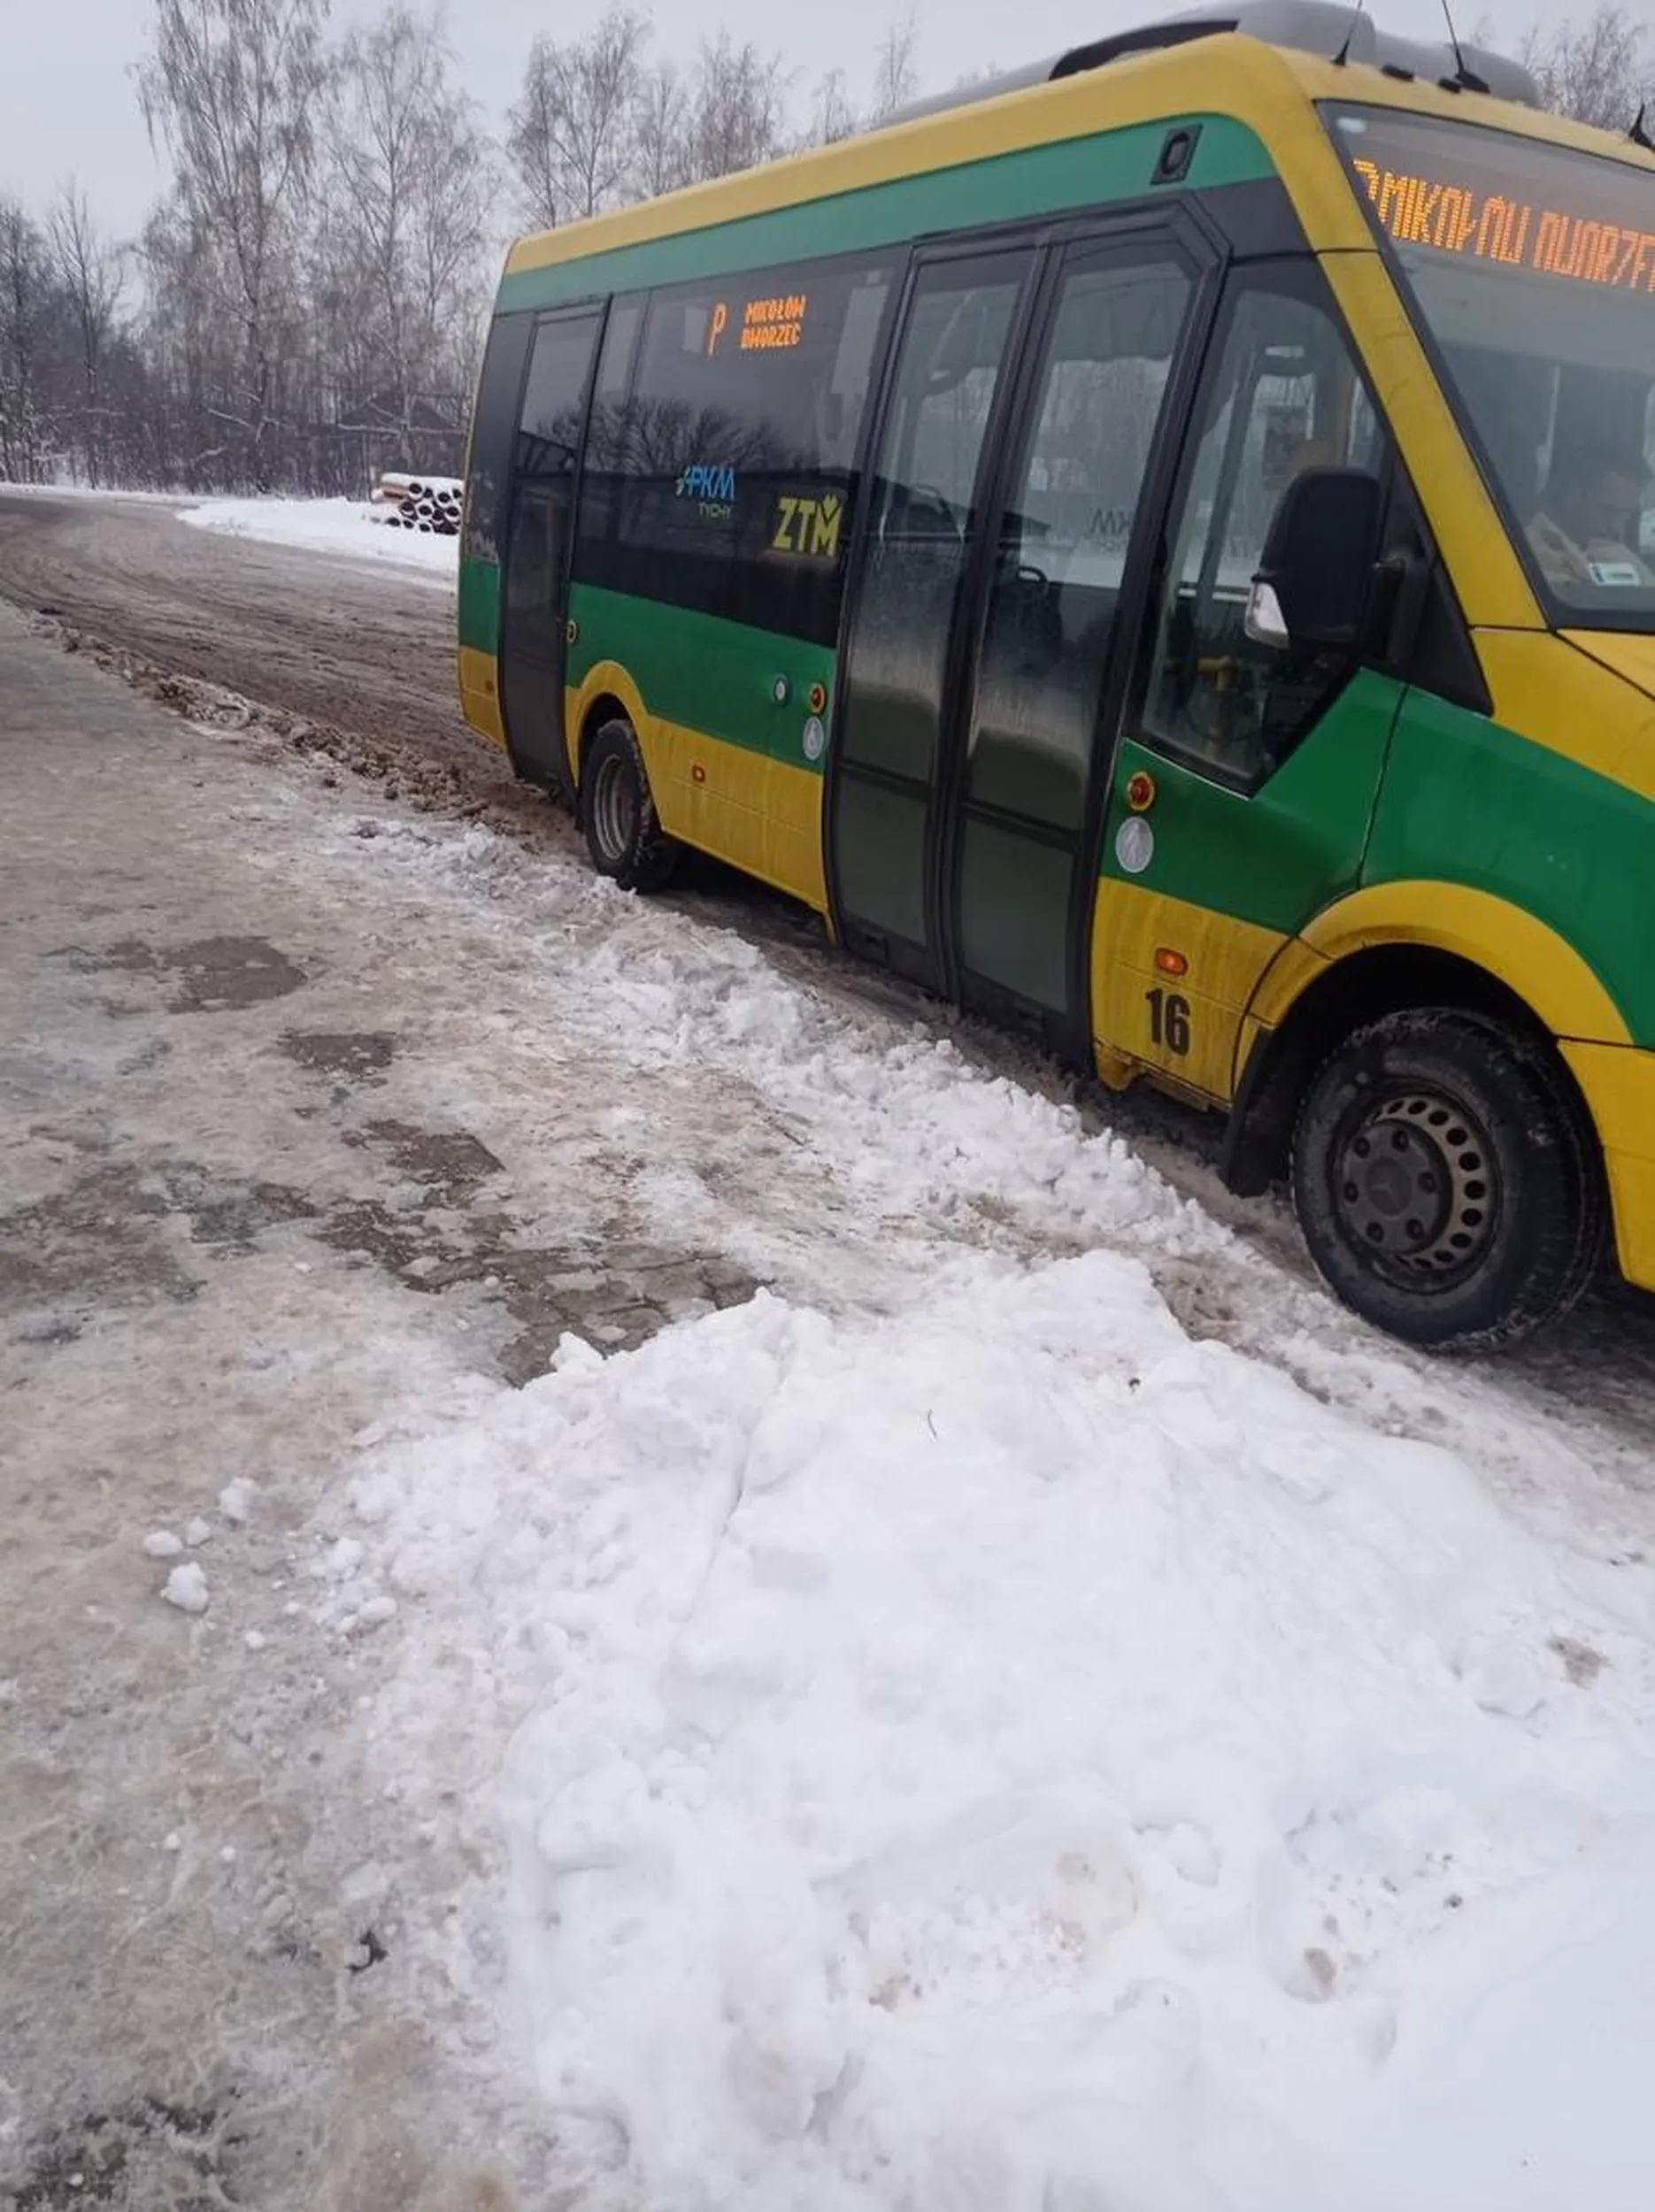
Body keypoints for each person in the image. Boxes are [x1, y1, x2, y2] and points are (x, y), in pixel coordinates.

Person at [1528, 445, 1655, 589]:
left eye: (1626, 515)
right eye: (1609, 511)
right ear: (1573, 495)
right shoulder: (1527, 548)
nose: (1616, 527)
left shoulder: (1618, 557)